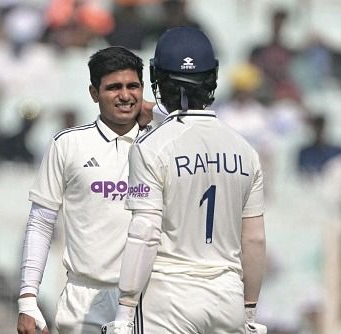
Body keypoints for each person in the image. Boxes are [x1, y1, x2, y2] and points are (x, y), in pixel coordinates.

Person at [102, 27, 267, 334]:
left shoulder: (152, 147)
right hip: (227, 299)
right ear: (212, 78)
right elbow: (254, 240)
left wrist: (124, 313)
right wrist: (249, 312)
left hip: (168, 301)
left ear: (158, 79)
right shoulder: (245, 150)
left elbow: (145, 233)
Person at [16, 46, 151, 334]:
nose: (125, 96)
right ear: (93, 93)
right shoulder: (67, 145)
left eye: (133, 86)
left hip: (150, 300)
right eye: (114, 87)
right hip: (84, 298)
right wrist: (28, 298)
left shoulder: (161, 144)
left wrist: (160, 115)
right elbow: (41, 223)